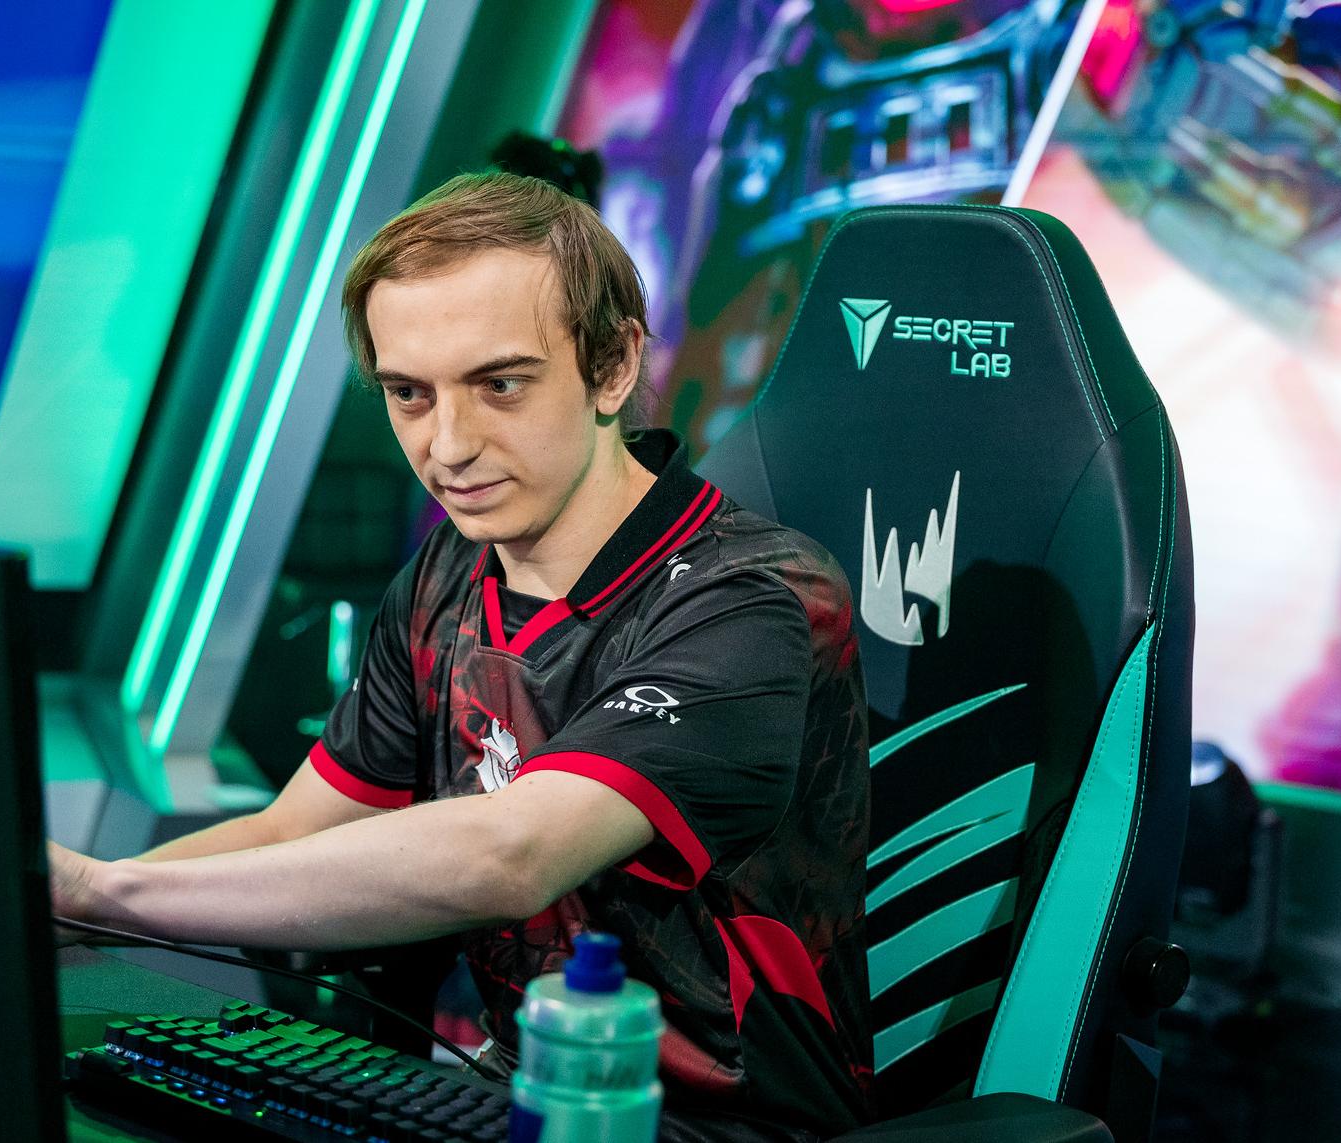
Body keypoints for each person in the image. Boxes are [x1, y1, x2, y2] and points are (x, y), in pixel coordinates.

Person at [50, 172, 873, 1140]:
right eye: (409, 394)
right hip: (510, 1098)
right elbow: (293, 831)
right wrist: (64, 913)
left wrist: (110, 892)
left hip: (717, 1129)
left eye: (500, 385)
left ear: (612, 366)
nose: (447, 446)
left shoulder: (751, 599)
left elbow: (511, 854)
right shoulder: (447, 573)